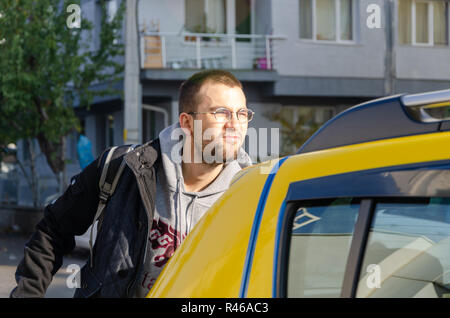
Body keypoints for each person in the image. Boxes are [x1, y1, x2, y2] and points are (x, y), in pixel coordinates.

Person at [10, 69, 253, 298]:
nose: (235, 124)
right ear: (187, 123)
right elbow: (53, 229)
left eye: (242, 113)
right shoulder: (124, 168)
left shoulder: (252, 193)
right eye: (221, 112)